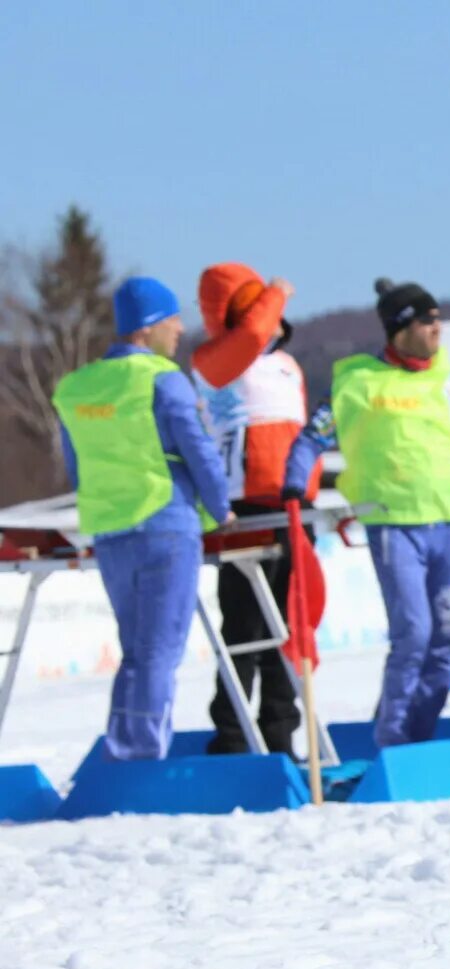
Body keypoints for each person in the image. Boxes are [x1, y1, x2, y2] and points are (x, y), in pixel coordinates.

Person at [282, 279, 450, 747]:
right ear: (401, 329)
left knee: (444, 642)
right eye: (427, 320)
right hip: (395, 526)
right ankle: (392, 743)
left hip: (448, 526)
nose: (438, 329)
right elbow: (311, 438)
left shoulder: (446, 380)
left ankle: (420, 740)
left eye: (439, 318)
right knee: (413, 635)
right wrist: (296, 482)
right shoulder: (357, 381)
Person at [52, 277, 233, 760]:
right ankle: (142, 756)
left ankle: (125, 749)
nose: (179, 331)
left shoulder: (77, 387)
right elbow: (198, 449)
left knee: (136, 650)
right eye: (172, 320)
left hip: (111, 530)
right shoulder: (161, 378)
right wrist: (221, 507)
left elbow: (75, 464)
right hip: (164, 523)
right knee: (158, 652)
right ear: (149, 327)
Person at [190, 263, 316, 755]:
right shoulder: (215, 360)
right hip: (242, 510)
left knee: (288, 627)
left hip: (291, 508)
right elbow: (250, 338)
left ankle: (281, 732)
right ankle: (233, 733)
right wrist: (278, 292)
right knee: (243, 627)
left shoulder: (287, 366)